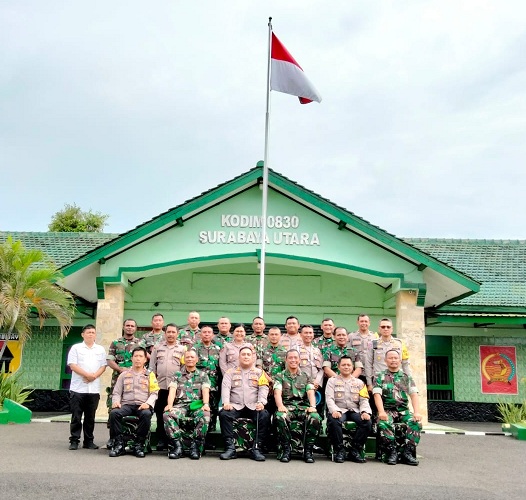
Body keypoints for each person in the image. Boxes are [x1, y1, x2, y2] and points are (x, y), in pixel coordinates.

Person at [219, 346, 270, 462]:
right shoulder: (230, 372)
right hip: (235, 405)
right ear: (239, 357)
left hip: (253, 405)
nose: (246, 356)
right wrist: (226, 402)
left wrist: (262, 402)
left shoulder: (260, 372)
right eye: (243, 354)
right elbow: (226, 387)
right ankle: (230, 448)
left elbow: (264, 388)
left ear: (253, 357)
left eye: (248, 354)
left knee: (264, 415)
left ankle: (257, 448)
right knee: (224, 414)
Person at [373, 349, 422, 466]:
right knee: (383, 423)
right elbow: (377, 395)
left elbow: (414, 395)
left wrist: (417, 412)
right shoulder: (380, 377)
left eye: (396, 358)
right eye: (390, 358)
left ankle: (408, 452)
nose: (393, 360)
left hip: (403, 411)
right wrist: (381, 412)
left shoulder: (406, 377)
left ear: (400, 360)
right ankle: (392, 451)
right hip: (387, 411)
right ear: (385, 360)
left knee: (416, 423)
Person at [108, 347, 159, 458]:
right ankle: (119, 444)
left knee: (146, 414)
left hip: (143, 405)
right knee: (114, 413)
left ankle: (139, 444)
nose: (138, 359)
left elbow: (154, 393)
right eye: (136, 356)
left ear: (145, 359)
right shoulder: (124, 375)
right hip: (127, 405)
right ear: (132, 358)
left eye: (141, 356)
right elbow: (116, 392)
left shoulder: (150, 375)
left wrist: (148, 403)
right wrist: (116, 402)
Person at [273, 350, 322, 463]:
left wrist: (312, 406)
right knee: (280, 416)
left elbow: (310, 392)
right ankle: (286, 450)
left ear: (299, 360)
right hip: (287, 407)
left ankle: (308, 451)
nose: (293, 360)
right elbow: (277, 392)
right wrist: (280, 406)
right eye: (290, 358)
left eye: (295, 358)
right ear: (286, 360)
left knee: (315, 417)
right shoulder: (280, 376)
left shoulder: (306, 376)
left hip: (302, 407)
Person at [163, 349, 210, 460]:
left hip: (196, 406)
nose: (189, 359)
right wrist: (169, 405)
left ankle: (195, 447)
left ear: (197, 360)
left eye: (192, 357)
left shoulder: (203, 375)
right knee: (167, 415)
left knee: (206, 415)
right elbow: (172, 391)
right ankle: (177, 446)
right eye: (187, 357)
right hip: (180, 406)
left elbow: (205, 391)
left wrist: (206, 404)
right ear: (184, 359)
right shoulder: (177, 375)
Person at [67, 324, 107, 450]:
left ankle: (89, 441)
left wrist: (94, 376)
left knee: (90, 417)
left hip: (93, 390)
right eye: (88, 332)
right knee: (76, 417)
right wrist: (87, 375)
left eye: (93, 332)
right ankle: (74, 440)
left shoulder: (100, 349)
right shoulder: (76, 348)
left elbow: (103, 366)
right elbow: (72, 365)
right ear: (82, 334)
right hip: (78, 389)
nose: (91, 334)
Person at [325, 356, 372, 463]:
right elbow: (329, 398)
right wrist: (334, 411)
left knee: (367, 422)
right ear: (338, 367)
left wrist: (365, 412)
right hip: (340, 410)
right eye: (343, 365)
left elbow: (364, 400)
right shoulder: (332, 381)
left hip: (355, 410)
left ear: (352, 367)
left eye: (349, 365)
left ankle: (355, 450)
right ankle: (339, 450)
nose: (346, 367)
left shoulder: (360, 383)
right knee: (333, 420)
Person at [148, 323, 186, 451]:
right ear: (165, 333)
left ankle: (174, 439)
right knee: (160, 413)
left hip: (176, 388)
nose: (170, 334)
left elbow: (184, 368)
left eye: (173, 332)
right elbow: (152, 367)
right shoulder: (157, 348)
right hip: (160, 387)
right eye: (168, 332)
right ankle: (161, 439)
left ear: (177, 334)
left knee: (174, 414)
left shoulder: (182, 349)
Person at [193, 325, 222, 447]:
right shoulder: (194, 349)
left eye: (209, 332)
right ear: (200, 334)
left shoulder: (218, 349)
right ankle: (198, 438)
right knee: (200, 411)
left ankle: (208, 437)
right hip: (197, 386)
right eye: (204, 332)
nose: (206, 334)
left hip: (214, 385)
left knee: (213, 411)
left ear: (212, 335)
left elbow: (220, 367)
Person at [106, 319, 142, 415]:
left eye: (132, 326)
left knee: (133, 401)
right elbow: (109, 360)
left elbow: (144, 360)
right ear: (123, 327)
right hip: (118, 377)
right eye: (127, 325)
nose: (129, 327)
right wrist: (121, 369)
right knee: (114, 400)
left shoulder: (140, 343)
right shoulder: (115, 343)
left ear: (135, 328)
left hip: (135, 379)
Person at [366, 318, 411, 392]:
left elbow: (405, 364)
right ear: (379, 329)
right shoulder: (373, 343)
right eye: (383, 327)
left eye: (388, 327)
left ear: (392, 329)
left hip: (397, 380)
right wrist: (369, 383)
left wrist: (408, 381)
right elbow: (368, 364)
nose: (385, 329)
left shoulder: (400, 343)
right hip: (379, 380)